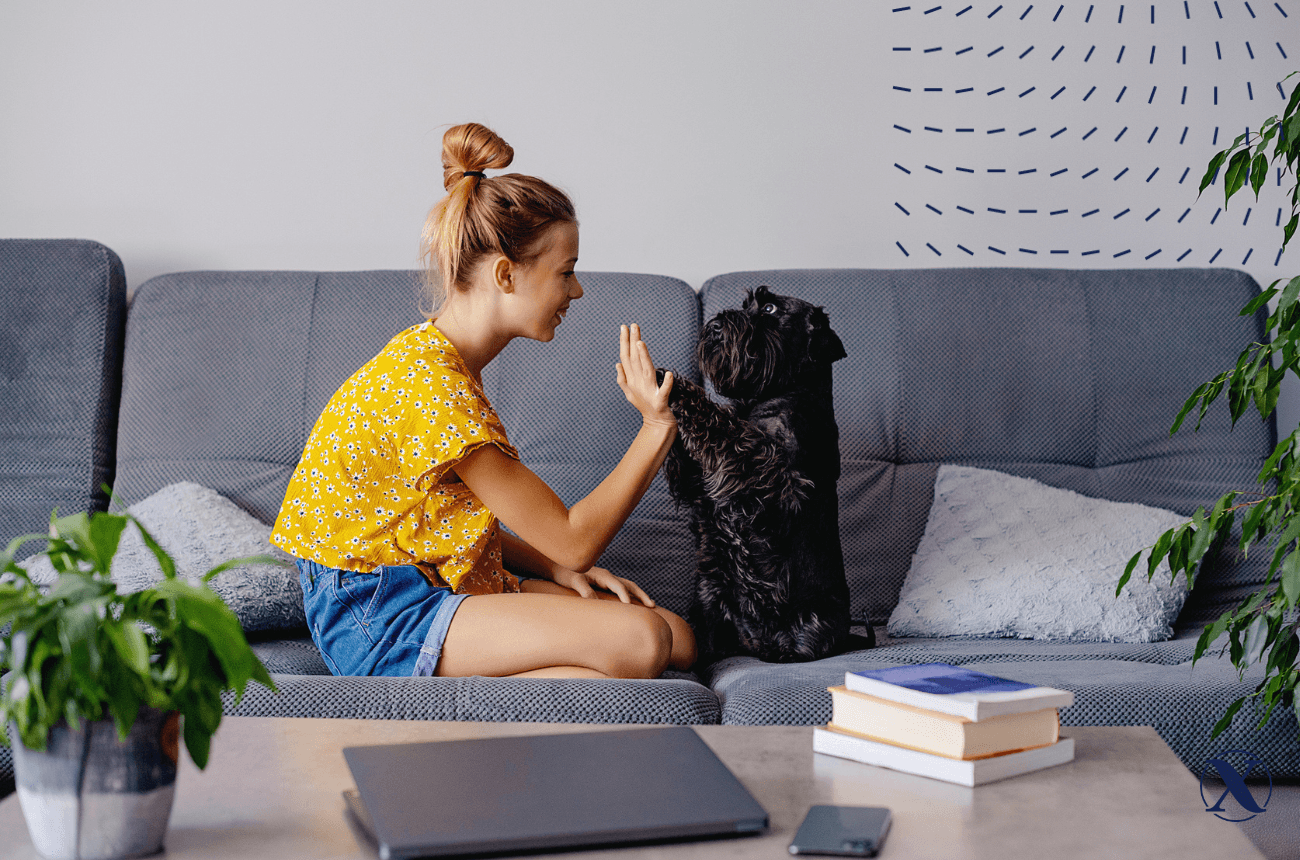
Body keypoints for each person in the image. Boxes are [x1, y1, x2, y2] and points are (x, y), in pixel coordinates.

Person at [270, 122, 696, 680]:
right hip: (380, 612)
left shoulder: (444, 362)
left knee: (679, 639)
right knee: (641, 641)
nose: (577, 291)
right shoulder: (433, 386)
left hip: (434, 575)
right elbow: (574, 541)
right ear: (505, 274)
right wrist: (656, 425)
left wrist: (554, 571)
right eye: (565, 273)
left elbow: (444, 520)